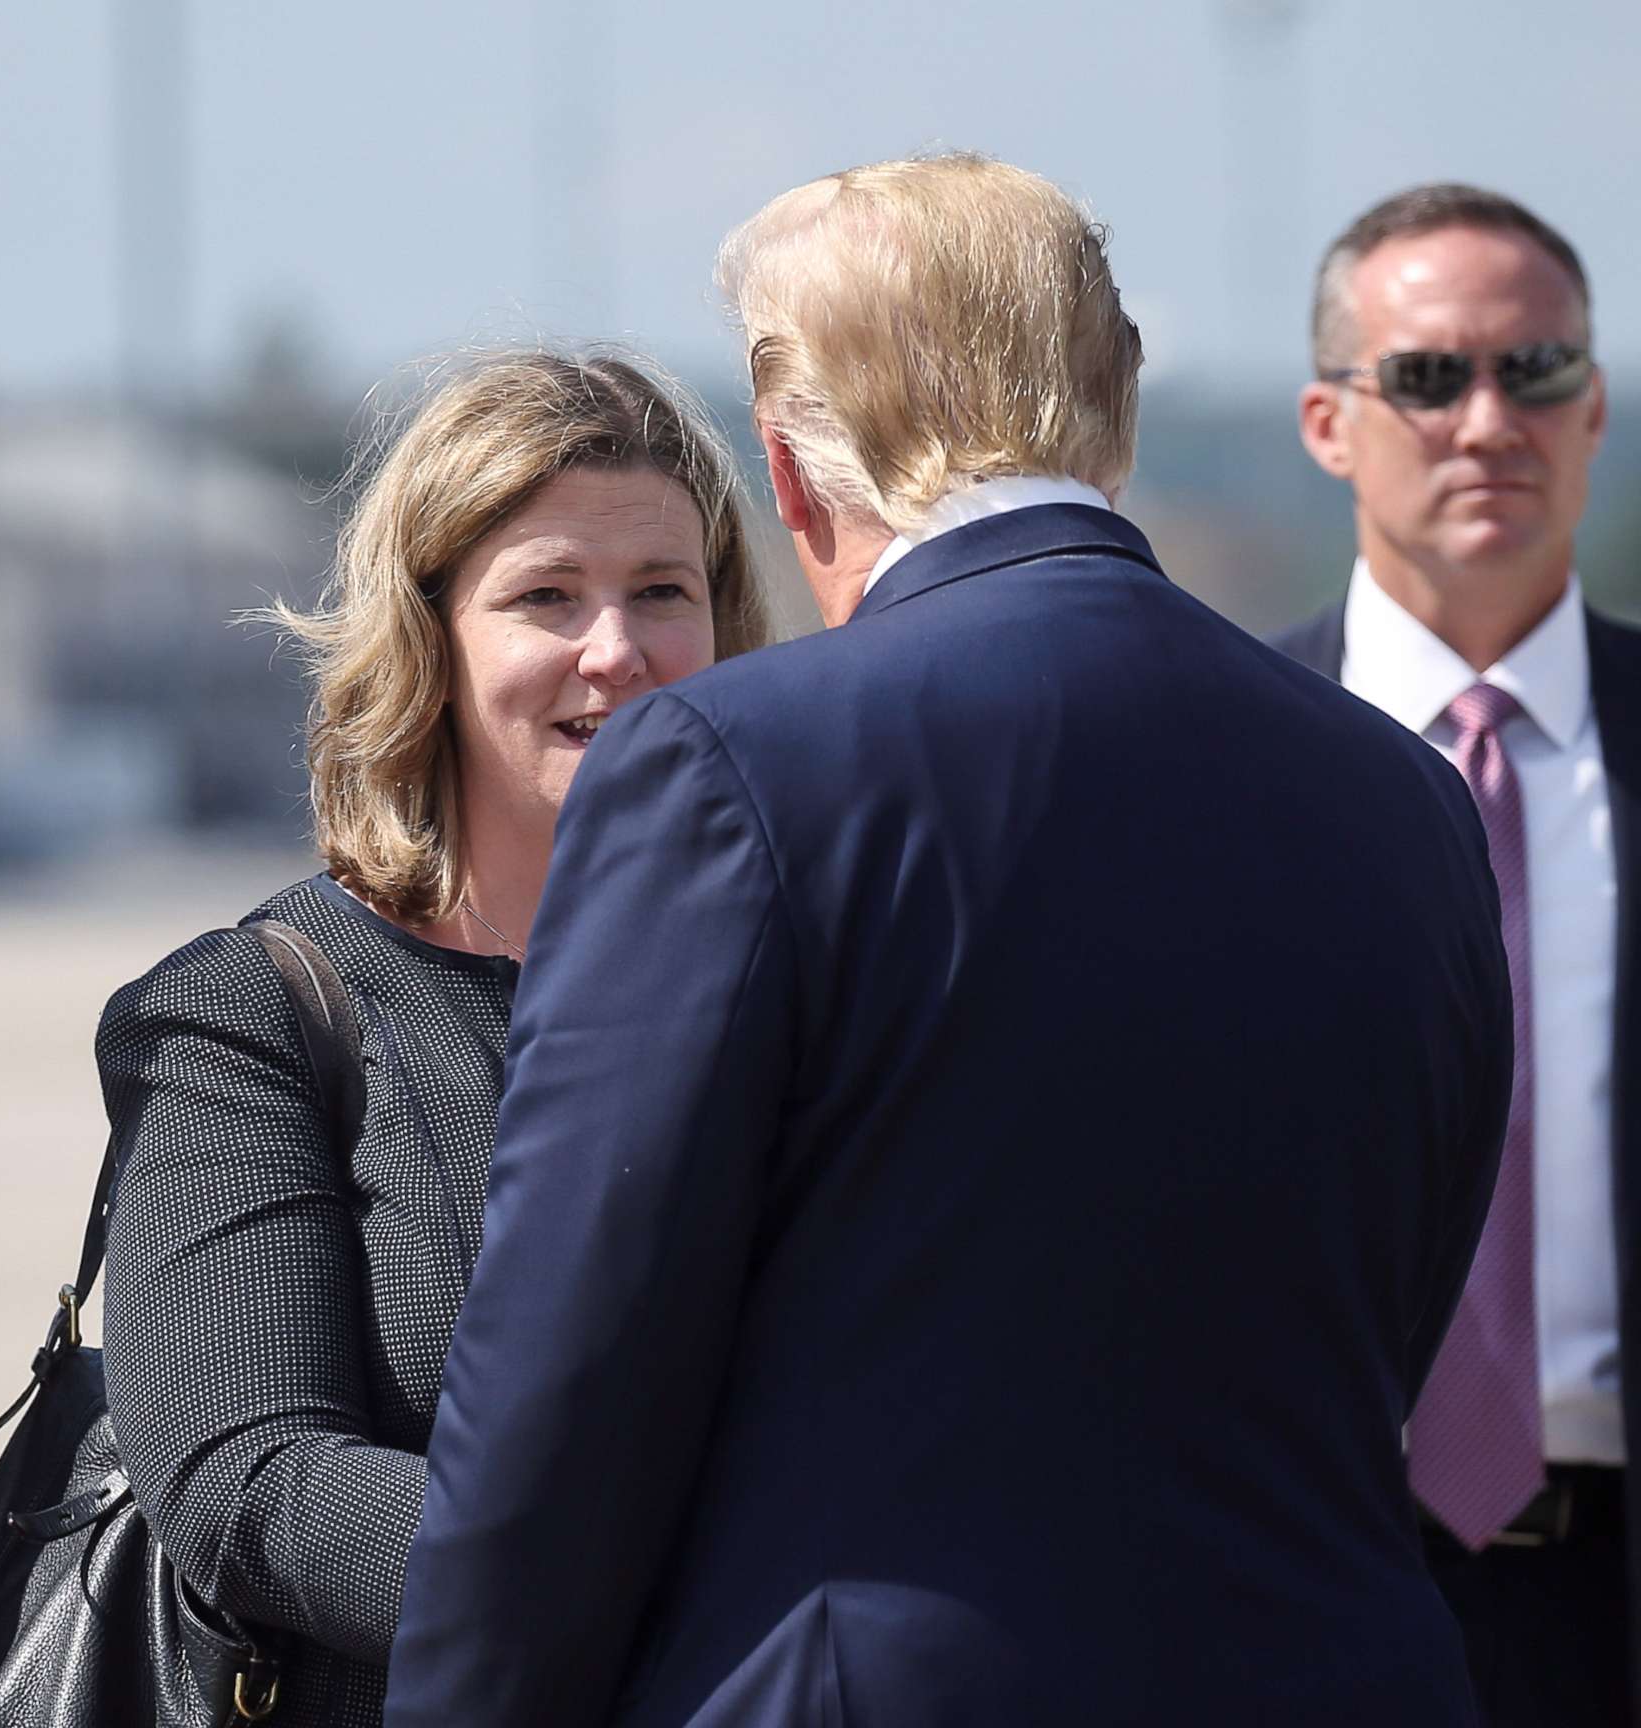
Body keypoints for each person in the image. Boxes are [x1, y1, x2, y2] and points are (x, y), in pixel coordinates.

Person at [385, 154, 1512, 1728]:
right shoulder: (1409, 793)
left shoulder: (726, 767)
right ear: (1114, 413)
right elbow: (1397, 1315)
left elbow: (568, 1394)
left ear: (788, 472)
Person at [94, 350, 774, 1725]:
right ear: (430, 639)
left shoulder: (797, 990)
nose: (617, 651)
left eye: (663, 594)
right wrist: (652, 1576)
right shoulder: (257, 1013)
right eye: (546, 597)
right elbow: (246, 1479)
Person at [1274, 183, 1629, 1726]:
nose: (1490, 420)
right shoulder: (1220, 764)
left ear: (1595, 405)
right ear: (1327, 423)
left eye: (1535, 371)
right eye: (1427, 376)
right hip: (1309, 1561)